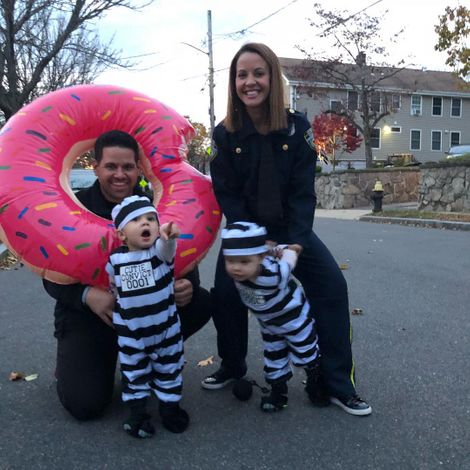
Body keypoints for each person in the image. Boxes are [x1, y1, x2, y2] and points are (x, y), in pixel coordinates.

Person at [203, 42, 371, 416]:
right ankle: (233, 366)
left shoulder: (297, 129)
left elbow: (302, 192)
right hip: (246, 235)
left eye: (258, 73)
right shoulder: (223, 135)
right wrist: (253, 241)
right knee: (227, 296)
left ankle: (338, 384)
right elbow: (227, 195)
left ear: (272, 78)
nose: (250, 82)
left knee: (331, 286)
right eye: (241, 75)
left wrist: (294, 245)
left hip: (292, 230)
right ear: (234, 83)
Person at [43, 130, 211, 421]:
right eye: (111, 166)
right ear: (96, 167)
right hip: (94, 315)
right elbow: (50, 275)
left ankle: (151, 359)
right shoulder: (72, 207)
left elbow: (179, 255)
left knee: (203, 301)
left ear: (139, 168)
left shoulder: (152, 207)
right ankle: (93, 360)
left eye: (128, 167)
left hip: (148, 314)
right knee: (85, 405)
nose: (120, 175)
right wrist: (87, 296)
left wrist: (186, 287)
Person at [221, 221, 327, 412]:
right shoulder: (246, 266)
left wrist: (289, 251)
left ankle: (316, 382)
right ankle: (278, 393)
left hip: (294, 319)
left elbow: (287, 261)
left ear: (260, 258)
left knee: (306, 352)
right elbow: (265, 249)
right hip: (269, 324)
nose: (236, 268)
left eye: (244, 262)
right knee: (273, 357)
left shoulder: (272, 275)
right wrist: (272, 248)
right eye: (230, 261)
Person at [106, 195, 188, 437]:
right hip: (131, 333)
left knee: (170, 370)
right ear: (121, 235)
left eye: (151, 219)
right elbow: (113, 286)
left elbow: (167, 246)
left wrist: (169, 236)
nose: (146, 223)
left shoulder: (159, 254)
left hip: (165, 330)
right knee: (134, 373)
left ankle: (170, 409)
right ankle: (138, 414)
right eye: (137, 220)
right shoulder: (115, 260)